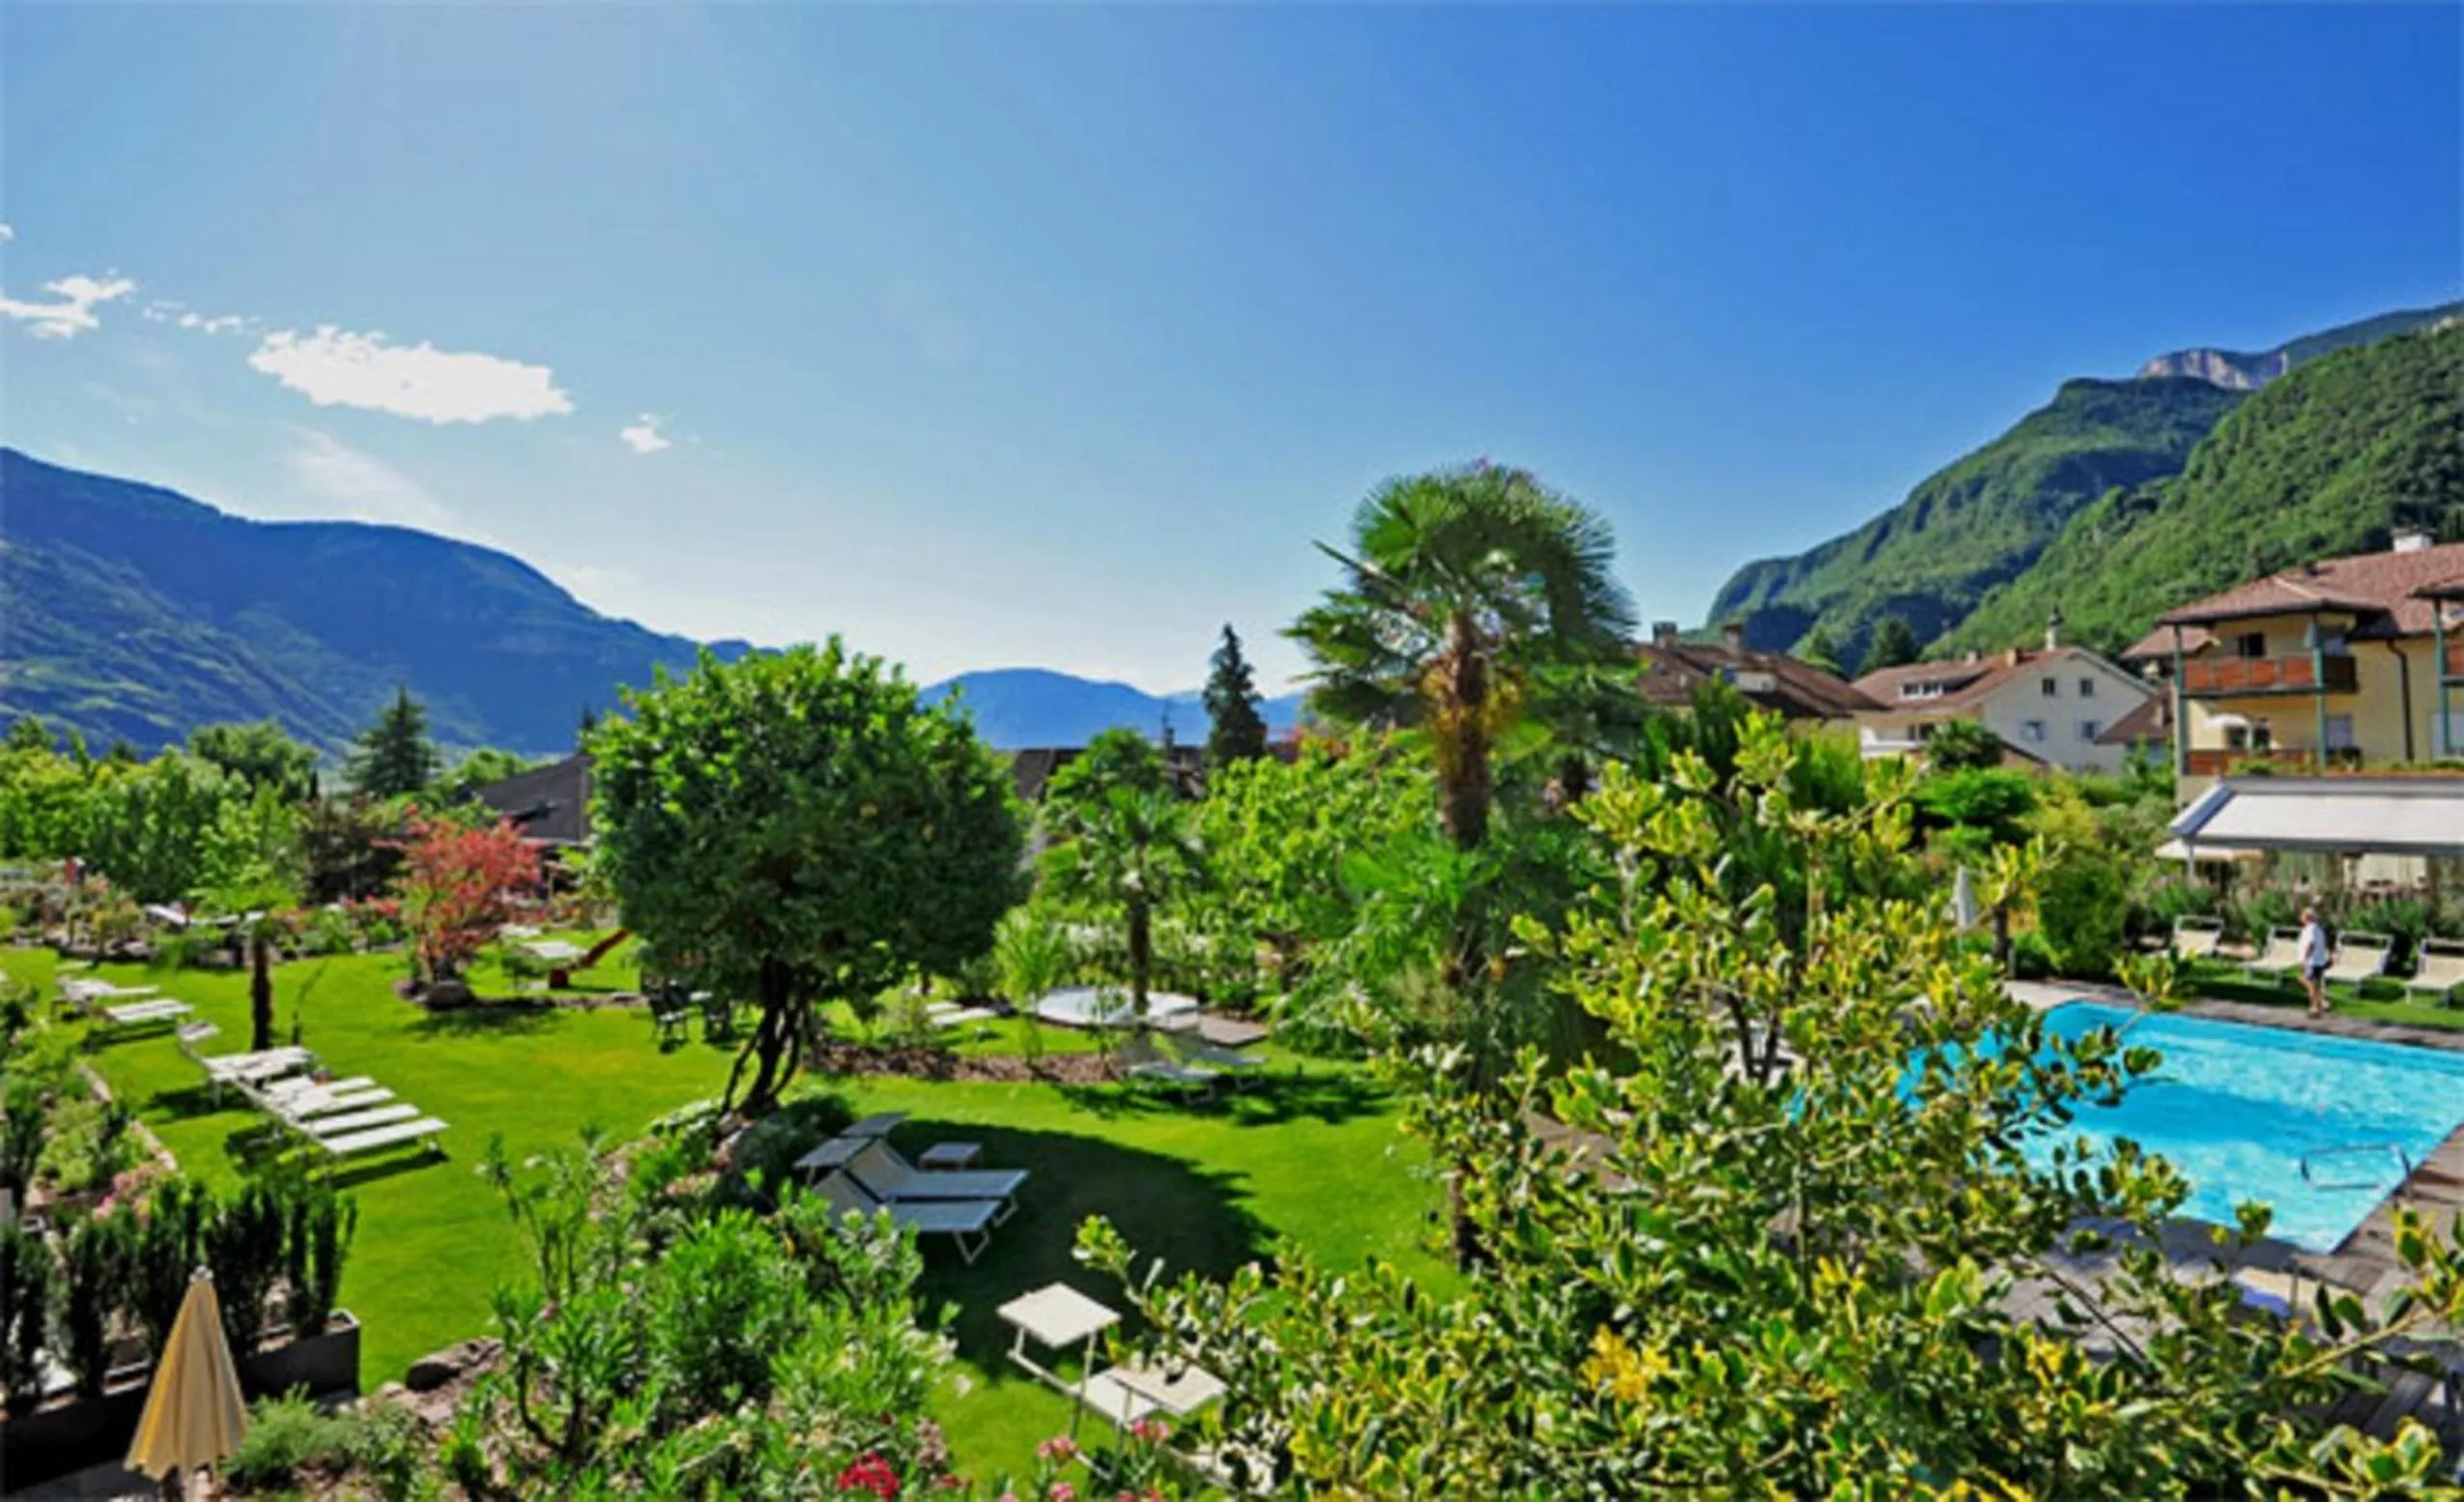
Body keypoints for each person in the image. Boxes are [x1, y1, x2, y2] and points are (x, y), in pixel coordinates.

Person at [2297, 906, 2332, 1019]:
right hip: (2318, 961)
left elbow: (2311, 944)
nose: (2301, 917)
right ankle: (2316, 1008)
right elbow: (2324, 945)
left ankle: (2320, 1002)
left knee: (2306, 981)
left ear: (2307, 917)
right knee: (2314, 984)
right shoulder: (2318, 929)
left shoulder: (2311, 929)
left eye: (2303, 915)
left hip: (2312, 961)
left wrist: (2305, 960)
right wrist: (2328, 958)